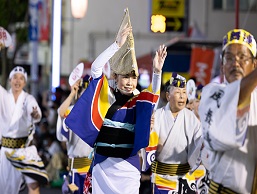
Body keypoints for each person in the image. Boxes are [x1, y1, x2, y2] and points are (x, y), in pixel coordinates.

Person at [65, 8, 167, 194]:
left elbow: (154, 96)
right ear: (115, 77)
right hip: (102, 165)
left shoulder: (139, 100)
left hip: (128, 167)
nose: (129, 82)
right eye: (125, 77)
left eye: (133, 77)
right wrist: (116, 45)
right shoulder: (107, 93)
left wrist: (157, 72)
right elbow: (96, 68)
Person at [199, 29, 257, 193]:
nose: (235, 63)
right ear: (222, 65)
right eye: (229, 58)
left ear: (254, 64)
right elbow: (238, 96)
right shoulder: (212, 93)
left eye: (242, 58)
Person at [143, 72, 202, 193]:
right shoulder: (158, 116)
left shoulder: (191, 118)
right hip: (161, 179)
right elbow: (151, 145)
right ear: (168, 96)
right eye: (178, 93)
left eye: (184, 93)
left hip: (185, 178)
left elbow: (199, 143)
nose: (182, 97)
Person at [0, 66, 48, 194]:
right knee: (6, 190)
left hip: (25, 149)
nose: (17, 81)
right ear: (10, 80)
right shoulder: (3, 96)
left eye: (21, 78)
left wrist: (35, 114)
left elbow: (34, 109)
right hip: (6, 151)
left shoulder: (28, 98)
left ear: (25, 82)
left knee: (33, 186)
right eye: (15, 77)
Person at [56, 72, 93, 194]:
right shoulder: (72, 111)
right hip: (76, 168)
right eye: (84, 92)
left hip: (93, 168)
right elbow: (61, 113)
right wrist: (72, 92)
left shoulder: (98, 114)